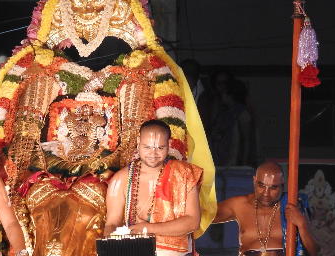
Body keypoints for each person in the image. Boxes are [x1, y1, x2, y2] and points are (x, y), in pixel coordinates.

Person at [104, 120, 204, 256]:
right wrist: (115, 243)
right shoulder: (120, 179)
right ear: (138, 142)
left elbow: (193, 222)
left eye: (160, 148)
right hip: (134, 251)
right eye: (147, 147)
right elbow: (112, 224)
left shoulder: (184, 174)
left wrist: (148, 228)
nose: (153, 153)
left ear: (169, 144)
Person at [212, 162, 319, 256]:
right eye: (261, 185)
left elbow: (314, 252)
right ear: (254, 180)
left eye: (273, 187)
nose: (266, 193)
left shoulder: (293, 206)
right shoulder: (238, 204)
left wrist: (301, 223)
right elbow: (203, 216)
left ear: (282, 185)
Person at [211, 79, 256, 167]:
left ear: (231, 96)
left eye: (224, 92)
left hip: (235, 162)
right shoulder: (225, 112)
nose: (221, 94)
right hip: (223, 161)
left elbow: (246, 140)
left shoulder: (243, 113)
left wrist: (244, 165)